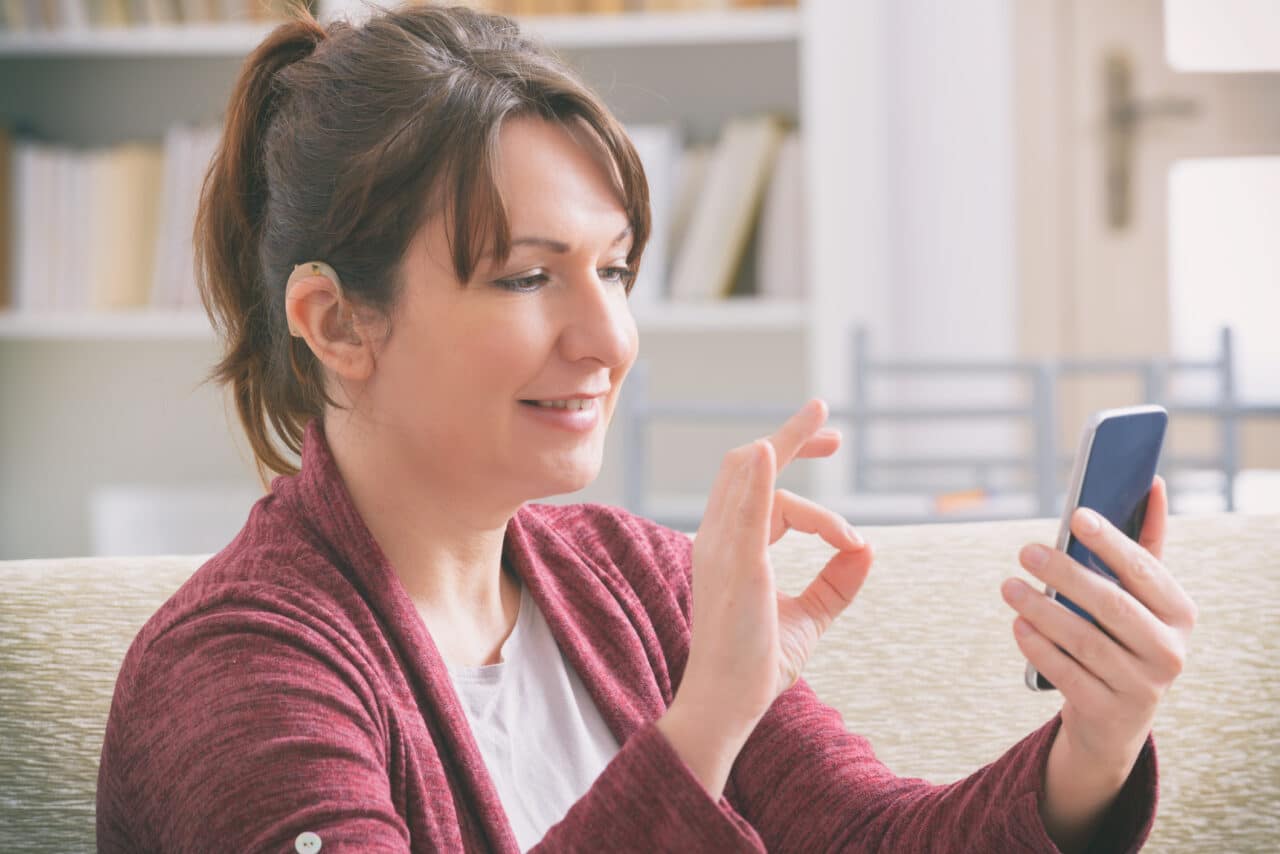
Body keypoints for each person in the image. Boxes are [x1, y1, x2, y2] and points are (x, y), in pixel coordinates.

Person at [96, 5, 1197, 852]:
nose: (607, 338)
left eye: (615, 269)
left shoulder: (634, 578)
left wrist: (1093, 741)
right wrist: (706, 717)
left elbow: (865, 837)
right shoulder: (238, 667)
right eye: (529, 275)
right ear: (335, 321)